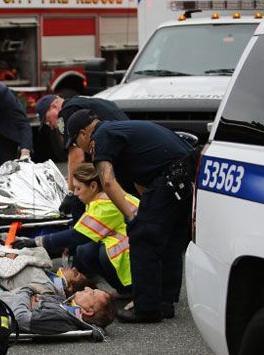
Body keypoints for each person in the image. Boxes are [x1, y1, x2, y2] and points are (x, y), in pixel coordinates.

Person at [62, 109, 195, 323]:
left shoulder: (101, 137)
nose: (80, 147)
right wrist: (146, 210)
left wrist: (133, 218)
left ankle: (146, 308)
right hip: (185, 174)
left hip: (170, 177)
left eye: (76, 141)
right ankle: (164, 302)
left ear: (84, 133)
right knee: (170, 239)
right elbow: (141, 181)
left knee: (142, 237)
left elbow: (106, 180)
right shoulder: (120, 130)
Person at [13, 163, 139, 296]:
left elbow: (77, 235)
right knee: (85, 250)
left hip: (140, 246)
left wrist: (36, 242)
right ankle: (125, 290)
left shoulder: (106, 205)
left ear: (93, 186)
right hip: (133, 238)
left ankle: (132, 290)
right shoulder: (101, 198)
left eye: (78, 188)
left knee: (101, 253)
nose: (76, 193)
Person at [35, 94, 128, 220]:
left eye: (47, 119)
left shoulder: (66, 113)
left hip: (117, 157)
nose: (51, 125)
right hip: (127, 151)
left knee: (79, 202)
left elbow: (77, 157)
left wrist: (71, 192)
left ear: (54, 106)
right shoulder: (87, 102)